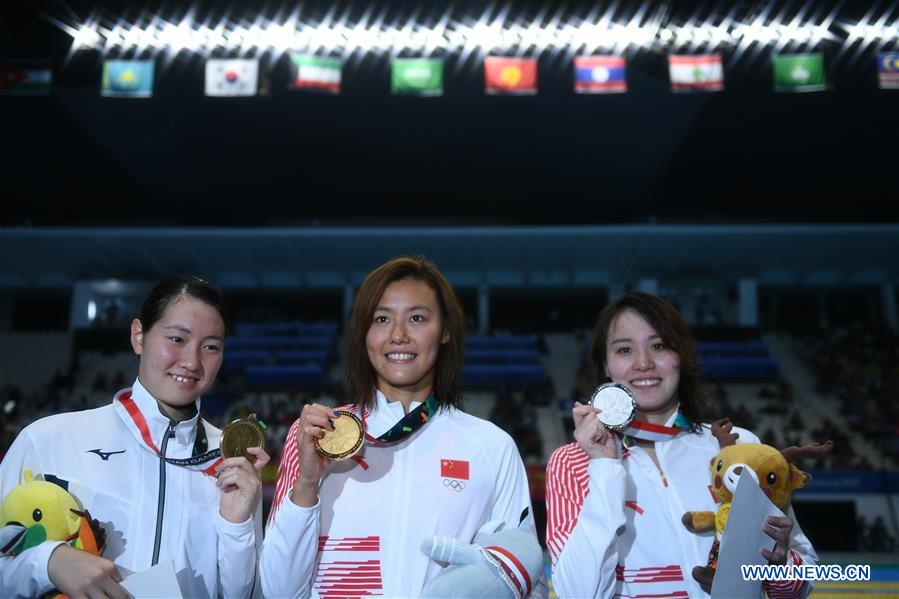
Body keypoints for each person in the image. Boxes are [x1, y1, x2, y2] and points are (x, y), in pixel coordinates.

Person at [260, 256, 540, 598]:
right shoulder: (319, 434)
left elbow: (523, 581)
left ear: (446, 331)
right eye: (381, 319)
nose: (398, 335)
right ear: (364, 333)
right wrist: (306, 484)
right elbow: (278, 591)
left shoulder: (491, 447)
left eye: (417, 318)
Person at [1, 275, 268, 598]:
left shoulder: (232, 462)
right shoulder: (49, 440)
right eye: (177, 339)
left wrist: (236, 527)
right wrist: (47, 563)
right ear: (138, 336)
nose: (192, 361)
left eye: (211, 346)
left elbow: (243, 594)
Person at [546, 292, 817, 598]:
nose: (644, 362)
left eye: (659, 346)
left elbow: (800, 583)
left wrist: (779, 567)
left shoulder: (739, 449)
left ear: (681, 356)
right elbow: (578, 594)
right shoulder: (573, 461)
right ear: (606, 366)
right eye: (624, 349)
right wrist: (605, 466)